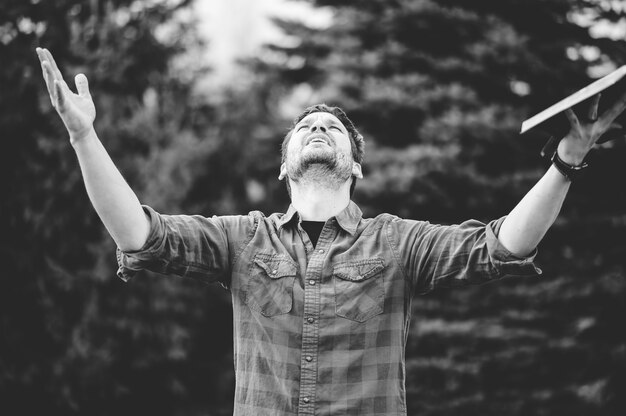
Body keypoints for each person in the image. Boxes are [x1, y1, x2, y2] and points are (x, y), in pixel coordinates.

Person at [36, 47, 626, 416]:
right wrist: (84, 137)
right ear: (285, 163)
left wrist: (567, 160)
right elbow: (141, 234)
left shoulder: (398, 242)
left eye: (332, 128)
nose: (319, 126)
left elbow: (503, 246)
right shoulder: (242, 239)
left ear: (356, 164)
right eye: (306, 126)